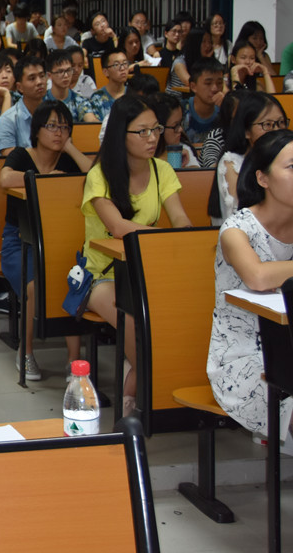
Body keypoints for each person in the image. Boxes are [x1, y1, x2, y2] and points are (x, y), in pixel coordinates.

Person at [81, 95, 192, 414]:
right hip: (101, 274)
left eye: (156, 129)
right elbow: (117, 227)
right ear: (120, 135)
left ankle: (136, 383)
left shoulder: (162, 170)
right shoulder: (100, 174)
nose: (153, 137)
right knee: (132, 316)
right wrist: (166, 238)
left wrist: (183, 234)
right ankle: (144, 388)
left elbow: (181, 218)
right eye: (141, 131)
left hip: (147, 269)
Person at [209, 130, 293, 438]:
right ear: (263, 179)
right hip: (245, 357)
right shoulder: (237, 229)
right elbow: (257, 277)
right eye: (292, 167)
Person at [0, 101, 92, 380]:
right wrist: (45, 179)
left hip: (58, 243)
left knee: (75, 282)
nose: (58, 133)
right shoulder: (21, 155)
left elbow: (95, 177)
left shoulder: (67, 159)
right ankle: (25, 353)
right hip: (19, 243)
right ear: (37, 130)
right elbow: (4, 179)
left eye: (64, 127)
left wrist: (71, 148)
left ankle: (74, 361)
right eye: (52, 126)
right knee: (34, 287)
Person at [214, 92, 287, 224]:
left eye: (281, 122)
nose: (277, 131)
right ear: (247, 131)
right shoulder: (232, 163)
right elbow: (241, 219)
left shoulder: (287, 159)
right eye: (268, 125)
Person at [0, 56, 48, 155]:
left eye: (42, 76)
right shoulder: (7, 120)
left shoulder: (55, 113)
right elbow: (9, 157)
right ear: (20, 87)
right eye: (32, 78)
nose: (39, 82)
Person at [45, 48, 97, 123]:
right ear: (49, 75)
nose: (66, 75)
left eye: (68, 70)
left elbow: (91, 120)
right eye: (60, 71)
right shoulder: (41, 101)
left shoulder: (80, 101)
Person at [150, 92, 199, 169]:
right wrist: (167, 158)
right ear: (159, 128)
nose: (180, 129)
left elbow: (197, 175)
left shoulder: (183, 148)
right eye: (175, 126)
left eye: (180, 123)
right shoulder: (143, 151)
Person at [182, 58, 226, 144]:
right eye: (208, 83)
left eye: (219, 83)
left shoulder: (225, 111)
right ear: (193, 86)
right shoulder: (181, 110)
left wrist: (227, 109)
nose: (215, 88)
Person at [87, 48, 129, 122]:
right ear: (105, 72)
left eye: (125, 63)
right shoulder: (96, 98)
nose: (122, 68)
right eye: (116, 65)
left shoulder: (134, 94)